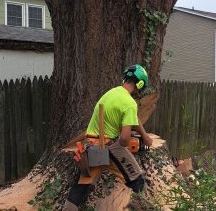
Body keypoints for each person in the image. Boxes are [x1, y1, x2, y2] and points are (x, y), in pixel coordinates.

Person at [63, 64, 153, 211]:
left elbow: (133, 119)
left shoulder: (111, 93)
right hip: (108, 145)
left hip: (89, 146)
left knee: (82, 186)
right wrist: (127, 142)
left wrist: (145, 136)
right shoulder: (130, 103)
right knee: (137, 180)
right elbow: (124, 140)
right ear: (140, 84)